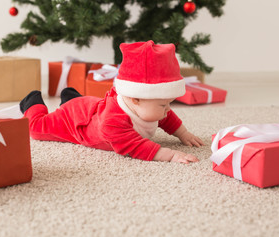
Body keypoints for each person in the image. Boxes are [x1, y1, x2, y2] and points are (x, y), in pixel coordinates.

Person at [20, 40, 204, 164]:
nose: (167, 110)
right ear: (136, 99)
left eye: (168, 103)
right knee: (36, 129)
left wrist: (183, 133)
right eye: (164, 105)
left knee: (87, 105)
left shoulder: (146, 105)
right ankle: (33, 101)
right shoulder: (112, 122)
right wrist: (170, 154)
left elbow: (166, 117)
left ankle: (72, 97)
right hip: (73, 121)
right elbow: (135, 147)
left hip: (90, 106)